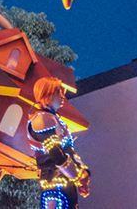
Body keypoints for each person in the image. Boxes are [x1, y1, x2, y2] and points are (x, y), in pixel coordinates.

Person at [27, 76, 90, 209]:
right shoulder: (42, 119)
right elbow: (56, 154)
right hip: (54, 183)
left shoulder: (53, 119)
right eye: (58, 91)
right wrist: (78, 177)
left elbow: (68, 151)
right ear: (46, 93)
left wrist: (82, 173)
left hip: (63, 183)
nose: (62, 95)